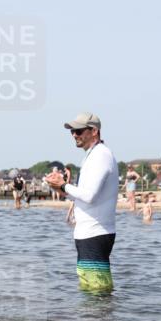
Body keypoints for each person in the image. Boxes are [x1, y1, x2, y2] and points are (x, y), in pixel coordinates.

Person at [44, 113, 119, 293]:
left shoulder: (101, 155)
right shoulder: (91, 156)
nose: (74, 135)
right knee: (89, 289)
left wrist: (64, 184)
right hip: (87, 233)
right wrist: (59, 188)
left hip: (96, 233)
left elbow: (90, 196)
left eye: (78, 131)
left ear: (94, 131)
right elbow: (81, 197)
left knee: (98, 291)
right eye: (72, 132)